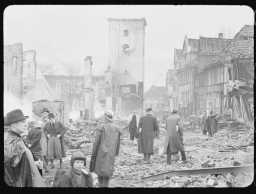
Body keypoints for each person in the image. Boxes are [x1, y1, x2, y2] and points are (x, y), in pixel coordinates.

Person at [4, 109, 45, 187]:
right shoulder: (12, 142)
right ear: (13, 124)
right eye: (23, 122)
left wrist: (33, 163)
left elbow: (20, 163)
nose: (26, 124)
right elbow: (10, 173)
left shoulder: (17, 138)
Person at [89, 111, 121, 187]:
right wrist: (115, 153)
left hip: (101, 154)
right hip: (111, 154)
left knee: (100, 175)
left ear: (105, 117)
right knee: (107, 175)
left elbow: (96, 143)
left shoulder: (101, 127)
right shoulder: (117, 128)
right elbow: (118, 144)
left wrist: (93, 154)